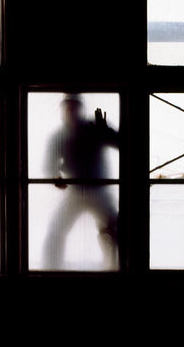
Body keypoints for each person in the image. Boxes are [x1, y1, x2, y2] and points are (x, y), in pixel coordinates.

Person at [42, 93, 119, 270]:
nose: (71, 113)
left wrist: (105, 131)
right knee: (56, 233)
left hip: (91, 191)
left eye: (73, 109)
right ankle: (116, 270)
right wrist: (55, 176)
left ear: (78, 110)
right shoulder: (67, 135)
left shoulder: (74, 133)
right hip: (82, 191)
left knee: (114, 232)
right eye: (68, 109)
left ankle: (114, 269)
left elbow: (122, 143)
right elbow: (49, 165)